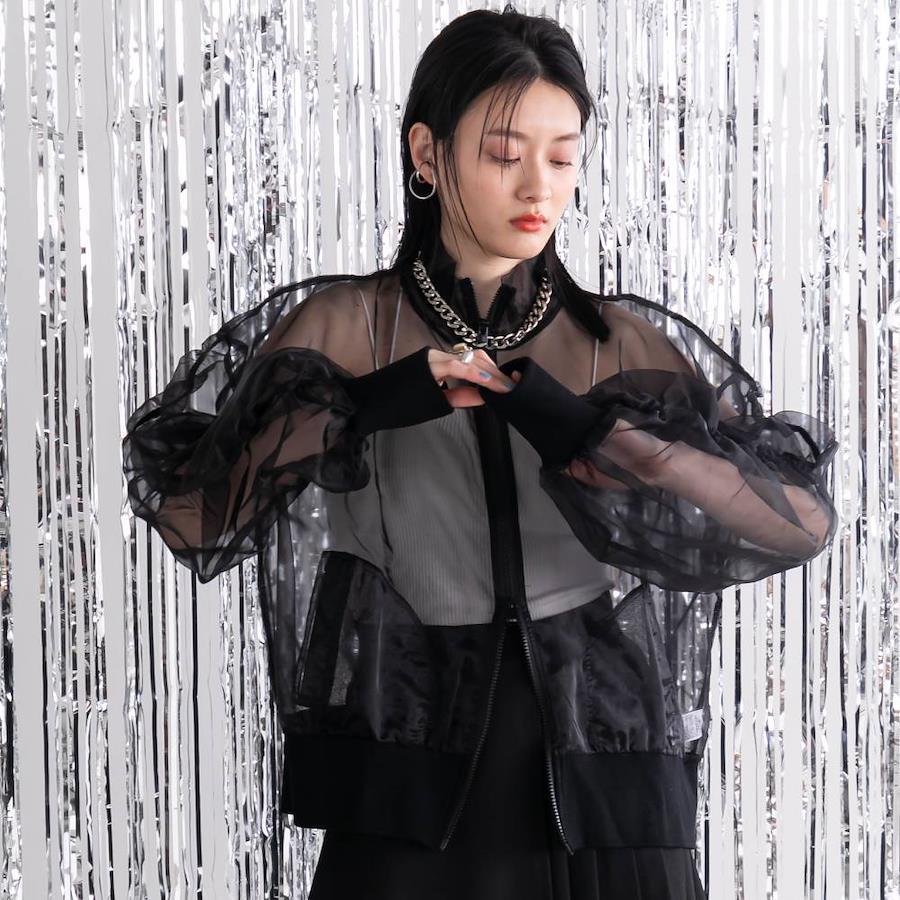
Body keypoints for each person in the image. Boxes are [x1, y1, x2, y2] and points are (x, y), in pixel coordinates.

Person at [121, 6, 838, 899]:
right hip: (408, 781)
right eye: (505, 154)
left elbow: (799, 526)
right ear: (427, 154)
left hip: (602, 784)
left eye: (563, 157)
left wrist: (627, 448)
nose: (539, 185)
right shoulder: (345, 329)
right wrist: (365, 405)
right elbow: (194, 518)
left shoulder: (619, 344)